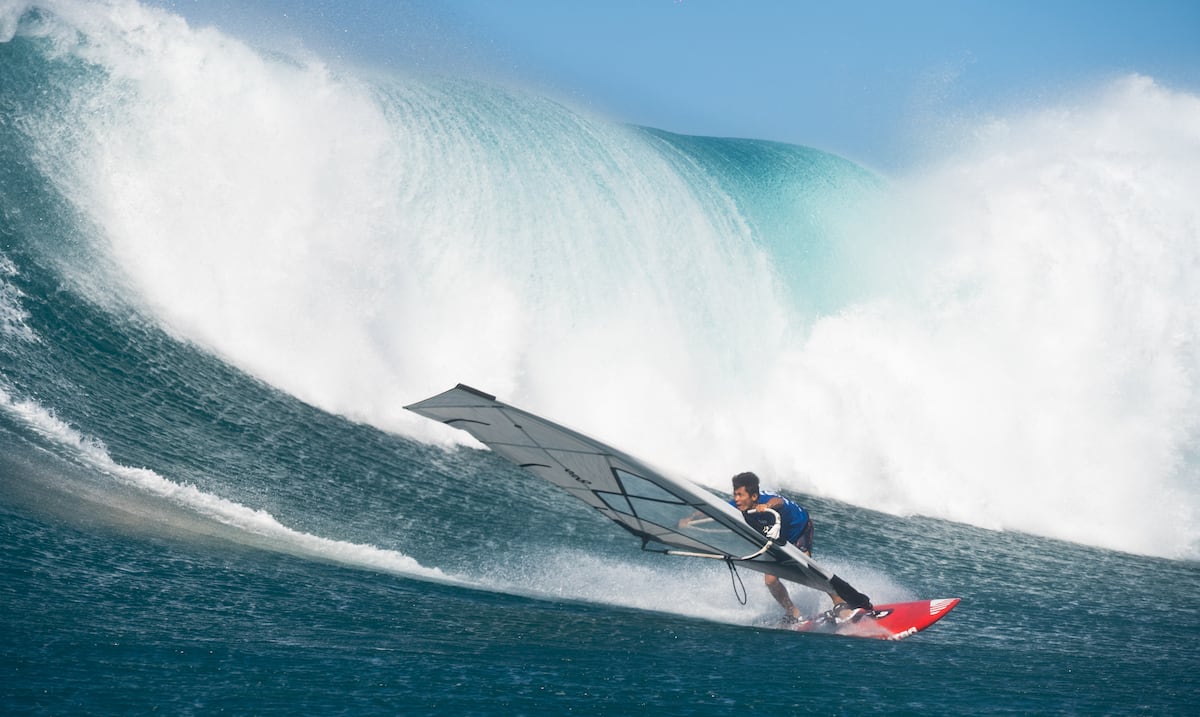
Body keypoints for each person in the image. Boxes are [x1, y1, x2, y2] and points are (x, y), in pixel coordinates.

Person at [727, 471, 865, 624]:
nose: (736, 499)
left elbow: (778, 501)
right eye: (735, 495)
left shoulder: (766, 500)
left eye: (740, 495)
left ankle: (839, 603)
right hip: (779, 538)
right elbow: (714, 507)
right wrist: (694, 518)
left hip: (800, 528)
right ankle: (792, 612)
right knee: (770, 581)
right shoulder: (738, 504)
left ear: (753, 496)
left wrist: (766, 507)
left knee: (807, 570)